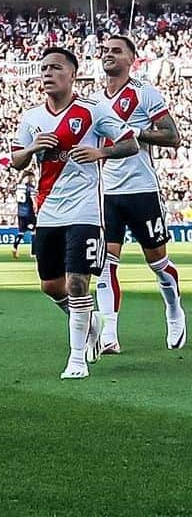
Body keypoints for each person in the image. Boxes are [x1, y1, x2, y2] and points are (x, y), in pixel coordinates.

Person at [10, 46, 138, 380]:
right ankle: (89, 321)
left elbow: (130, 143)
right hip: (49, 211)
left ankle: (77, 358)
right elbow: (15, 160)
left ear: (72, 74)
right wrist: (33, 148)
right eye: (44, 69)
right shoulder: (32, 118)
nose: (48, 74)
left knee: (78, 282)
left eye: (55, 68)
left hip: (85, 211)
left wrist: (100, 151)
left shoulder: (94, 111)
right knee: (51, 286)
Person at [91, 35, 184, 353]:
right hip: (107, 194)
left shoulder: (145, 94)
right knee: (105, 264)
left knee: (157, 263)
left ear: (132, 59)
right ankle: (110, 332)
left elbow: (173, 136)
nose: (109, 55)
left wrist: (138, 132)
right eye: (105, 51)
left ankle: (173, 310)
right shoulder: (95, 102)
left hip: (142, 190)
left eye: (117, 51)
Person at [12, 173, 36, 259]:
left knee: (21, 232)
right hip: (29, 212)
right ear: (29, 177)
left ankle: (15, 247)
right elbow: (33, 201)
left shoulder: (18, 187)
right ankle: (33, 252)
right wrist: (36, 209)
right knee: (34, 231)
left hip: (20, 212)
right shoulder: (30, 188)